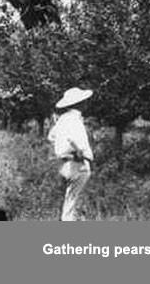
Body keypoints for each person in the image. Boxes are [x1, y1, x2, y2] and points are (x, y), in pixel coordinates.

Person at [47, 87, 94, 221]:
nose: (86, 103)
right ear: (80, 103)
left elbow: (51, 137)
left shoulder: (63, 119)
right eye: (84, 101)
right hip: (77, 163)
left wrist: (61, 148)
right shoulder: (75, 120)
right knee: (73, 203)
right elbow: (79, 143)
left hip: (63, 164)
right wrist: (83, 154)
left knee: (68, 200)